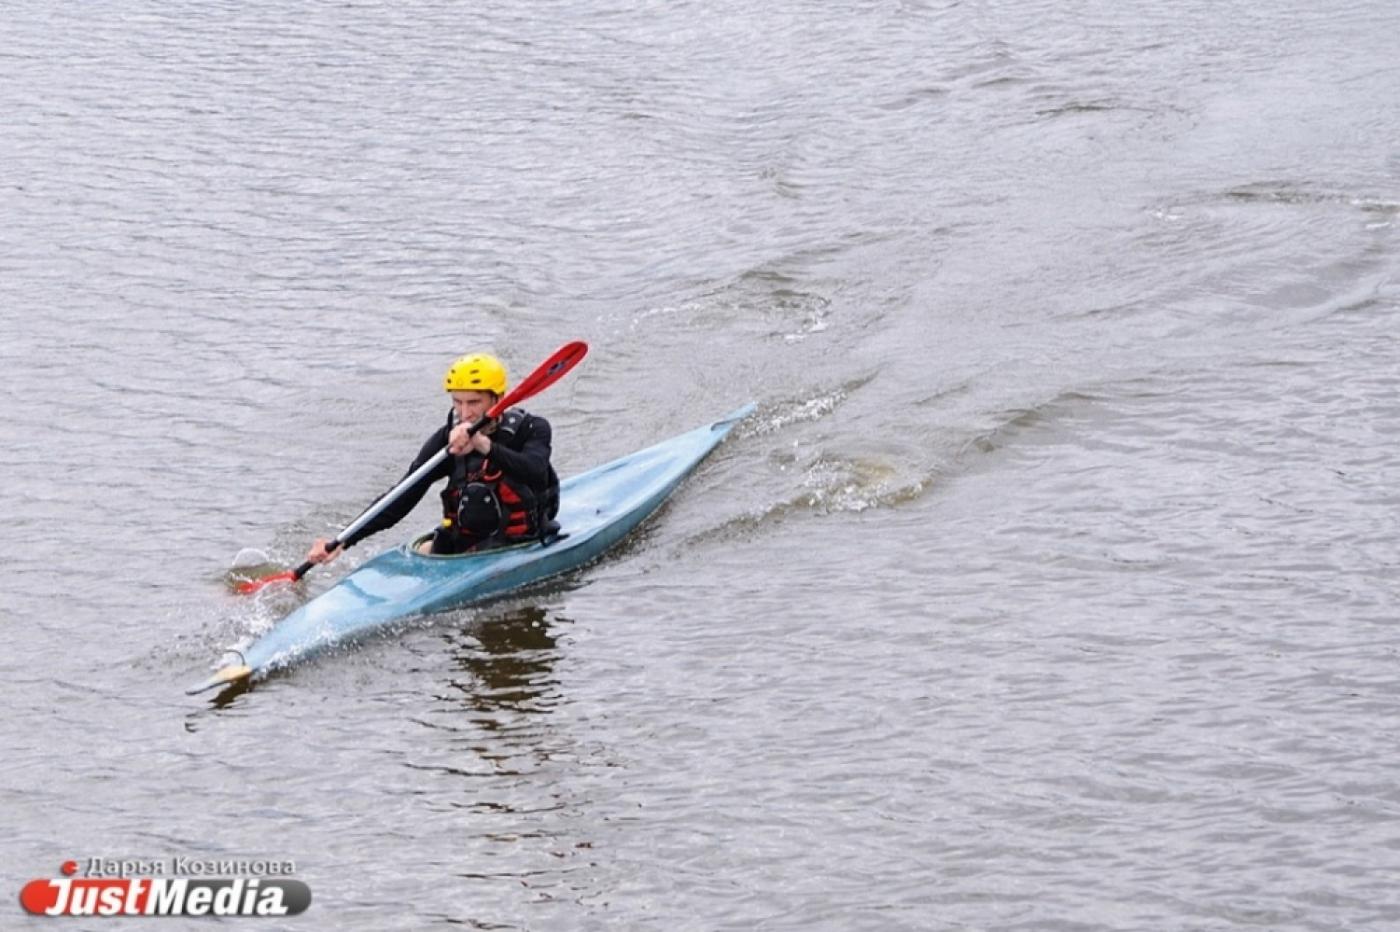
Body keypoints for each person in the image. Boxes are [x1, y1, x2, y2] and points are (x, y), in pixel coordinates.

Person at [304, 352, 560, 563]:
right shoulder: (447, 441)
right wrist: (344, 540)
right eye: (457, 402)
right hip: (466, 540)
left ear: (497, 399)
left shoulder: (532, 429)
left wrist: (484, 445)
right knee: (432, 545)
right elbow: (404, 495)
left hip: (520, 541)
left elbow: (534, 471)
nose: (465, 413)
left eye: (474, 402)